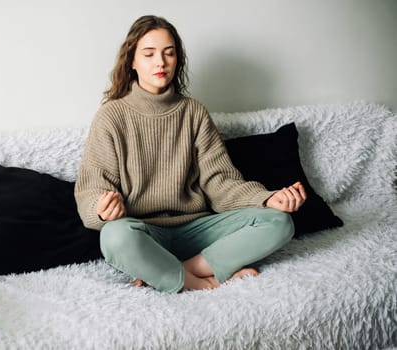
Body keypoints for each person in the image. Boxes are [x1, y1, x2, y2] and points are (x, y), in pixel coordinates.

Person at [74, 15, 306, 293]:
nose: (160, 62)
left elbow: (220, 183)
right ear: (132, 61)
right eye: (149, 54)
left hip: (199, 230)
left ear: (177, 61)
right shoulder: (111, 116)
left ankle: (175, 272)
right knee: (114, 236)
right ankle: (206, 280)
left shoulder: (194, 112)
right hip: (145, 234)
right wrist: (100, 211)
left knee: (279, 222)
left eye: (169, 53)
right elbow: (91, 190)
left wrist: (267, 198)